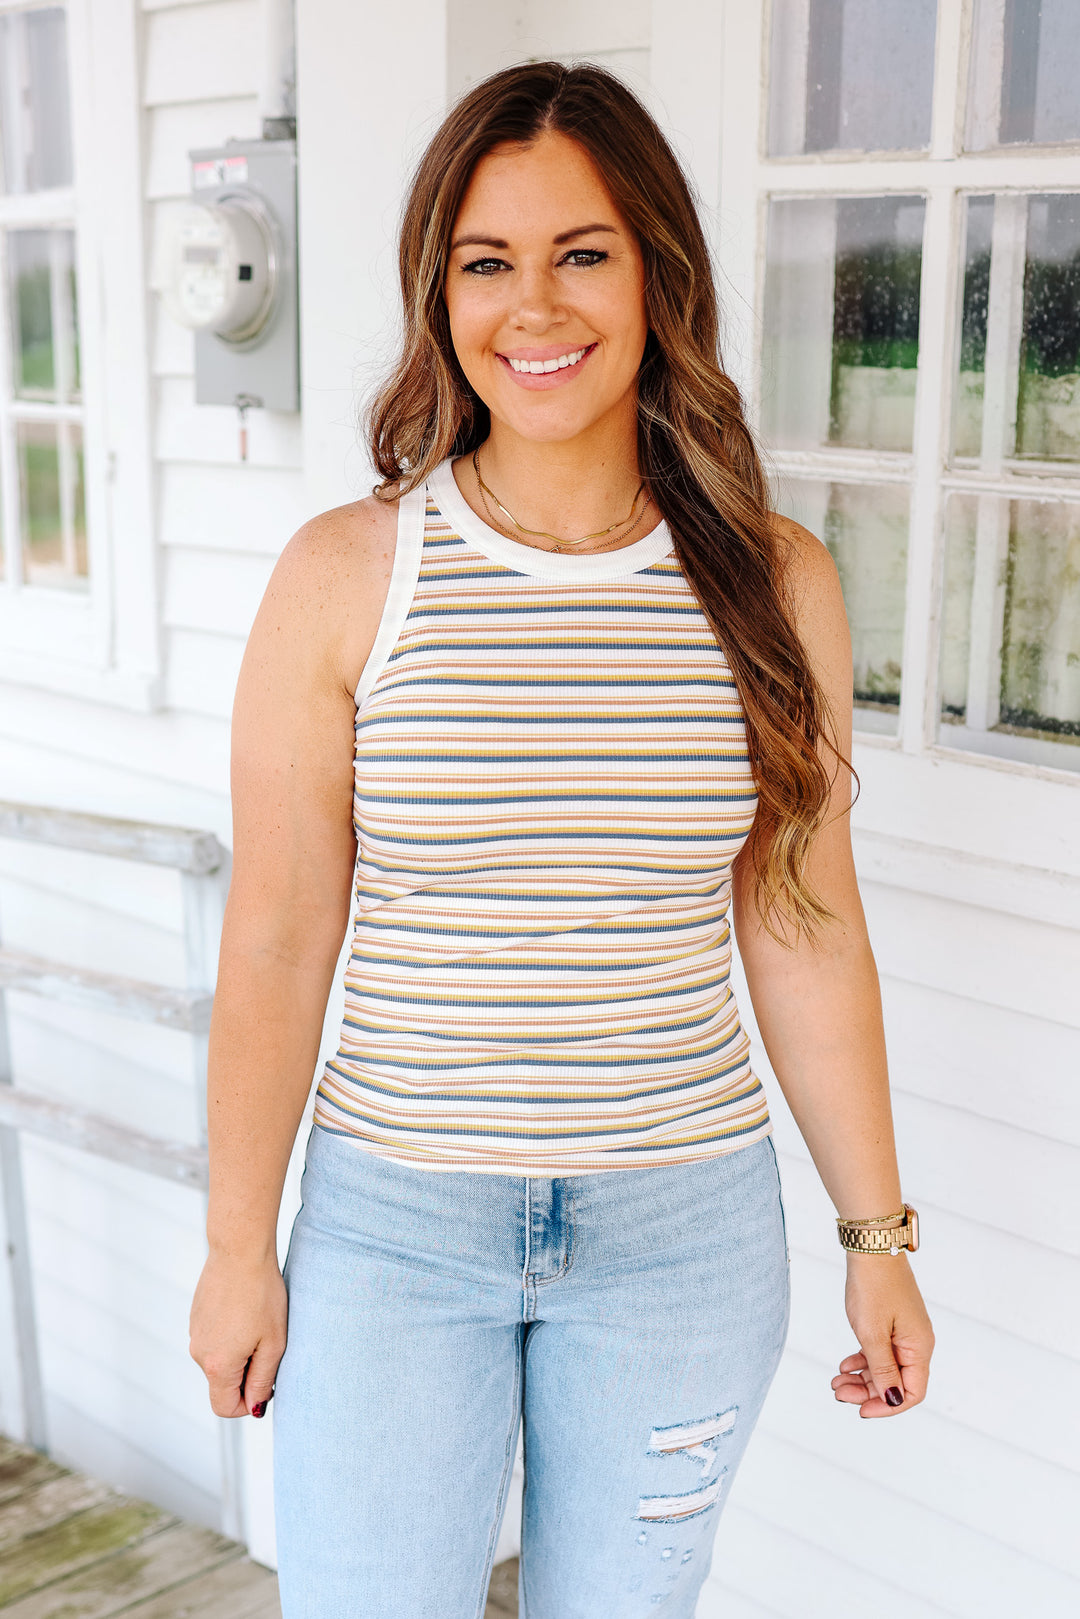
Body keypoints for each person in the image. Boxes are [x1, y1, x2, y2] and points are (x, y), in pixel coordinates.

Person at [189, 60, 935, 1619]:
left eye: (582, 252)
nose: (536, 306)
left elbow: (802, 921)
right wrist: (237, 1245)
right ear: (438, 292)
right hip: (398, 1232)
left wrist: (878, 1233)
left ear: (658, 271)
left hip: (683, 1238)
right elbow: (274, 934)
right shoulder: (348, 575)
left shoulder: (773, 584)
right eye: (487, 262)